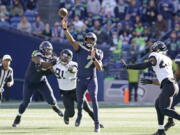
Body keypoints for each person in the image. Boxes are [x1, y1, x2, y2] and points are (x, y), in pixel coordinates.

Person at [121, 41, 179, 135]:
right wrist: (152, 82)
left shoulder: (155, 55)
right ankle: (161, 130)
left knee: (163, 109)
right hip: (173, 85)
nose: (152, 48)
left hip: (169, 86)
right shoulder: (168, 59)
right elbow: (165, 77)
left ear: (158, 49)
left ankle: (167, 125)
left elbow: (144, 65)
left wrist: (128, 66)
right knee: (158, 104)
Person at [61, 18, 103, 132]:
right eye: (88, 39)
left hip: (91, 79)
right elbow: (72, 40)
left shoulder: (98, 52)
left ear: (94, 41)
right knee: (79, 102)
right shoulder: (81, 48)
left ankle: (97, 123)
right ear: (85, 40)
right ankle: (79, 116)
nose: (89, 41)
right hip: (80, 79)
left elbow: (99, 68)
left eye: (91, 40)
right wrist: (65, 29)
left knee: (94, 99)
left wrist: (94, 58)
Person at [12, 41, 63, 127]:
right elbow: (41, 64)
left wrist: (55, 66)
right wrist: (52, 63)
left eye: (50, 50)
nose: (49, 52)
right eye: (47, 50)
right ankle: (18, 116)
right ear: (42, 49)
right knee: (26, 102)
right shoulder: (36, 54)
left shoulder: (51, 58)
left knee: (51, 99)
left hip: (41, 81)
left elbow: (53, 70)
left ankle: (55, 107)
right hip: (30, 82)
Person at [51, 49, 103, 128]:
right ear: (60, 56)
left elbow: (73, 69)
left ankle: (97, 123)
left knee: (87, 108)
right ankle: (66, 114)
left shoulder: (73, 64)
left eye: (67, 57)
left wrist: (68, 67)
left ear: (70, 58)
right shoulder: (56, 64)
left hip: (76, 90)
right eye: (63, 56)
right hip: (64, 92)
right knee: (71, 113)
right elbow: (50, 67)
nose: (65, 58)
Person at [141, 53, 180, 132]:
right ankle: (169, 123)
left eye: (179, 65)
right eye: (177, 65)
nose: (178, 67)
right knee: (166, 105)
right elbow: (170, 80)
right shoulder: (177, 72)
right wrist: (152, 82)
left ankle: (169, 122)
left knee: (165, 107)